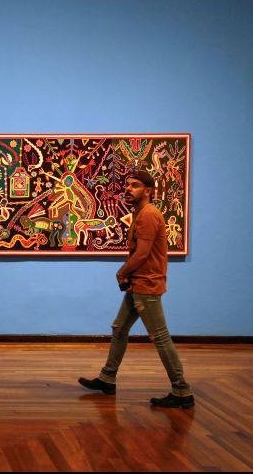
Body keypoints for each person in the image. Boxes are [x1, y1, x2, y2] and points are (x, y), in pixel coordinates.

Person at [78, 170, 193, 408]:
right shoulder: (141, 214)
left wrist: (122, 272)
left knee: (160, 337)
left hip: (146, 284)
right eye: (128, 185)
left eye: (135, 185)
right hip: (138, 283)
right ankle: (107, 378)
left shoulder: (148, 215)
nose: (128, 189)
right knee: (120, 329)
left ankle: (182, 390)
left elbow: (142, 254)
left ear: (148, 191)